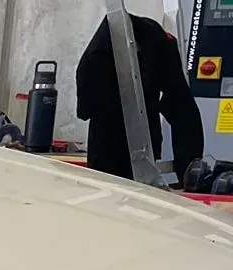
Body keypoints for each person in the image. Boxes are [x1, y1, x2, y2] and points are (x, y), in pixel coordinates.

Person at [75, 14, 203, 183]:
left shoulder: (155, 42)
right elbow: (182, 108)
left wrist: (186, 167)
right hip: (132, 146)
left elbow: (85, 107)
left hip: (111, 150)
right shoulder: (155, 42)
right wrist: (187, 169)